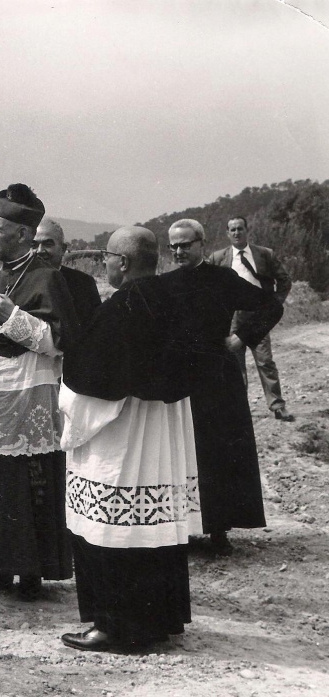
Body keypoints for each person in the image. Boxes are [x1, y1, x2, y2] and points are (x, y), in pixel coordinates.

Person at [60, 226, 201, 652]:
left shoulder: (121, 306)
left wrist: (68, 412)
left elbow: (90, 379)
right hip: (164, 428)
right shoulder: (176, 298)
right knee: (152, 526)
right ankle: (158, 621)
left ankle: (114, 626)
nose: (104, 263)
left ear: (122, 262)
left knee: (115, 525)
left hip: (126, 431)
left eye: (107, 257)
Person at [0, 183, 79, 601]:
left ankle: (30, 571)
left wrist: (14, 318)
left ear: (24, 235)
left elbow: (59, 341)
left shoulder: (47, 277)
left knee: (29, 483)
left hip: (27, 391)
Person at [162, 219, 282, 554]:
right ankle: (182, 529)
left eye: (185, 244)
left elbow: (271, 305)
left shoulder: (223, 278)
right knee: (183, 449)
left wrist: (241, 337)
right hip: (179, 376)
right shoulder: (164, 284)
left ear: (201, 244)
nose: (179, 251)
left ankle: (219, 530)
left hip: (218, 374)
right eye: (173, 245)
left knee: (218, 449)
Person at [208, 216, 294, 422]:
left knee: (265, 361)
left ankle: (277, 406)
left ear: (247, 231)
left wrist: (275, 303)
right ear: (227, 234)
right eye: (233, 230)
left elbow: (284, 280)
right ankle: (239, 408)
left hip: (259, 316)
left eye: (240, 228)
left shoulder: (264, 254)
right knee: (235, 365)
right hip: (232, 318)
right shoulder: (217, 258)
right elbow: (208, 288)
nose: (237, 233)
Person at [33, 218, 101, 328]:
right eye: (34, 245)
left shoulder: (84, 284)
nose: (40, 250)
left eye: (48, 244)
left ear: (63, 249)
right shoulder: (17, 282)